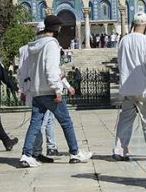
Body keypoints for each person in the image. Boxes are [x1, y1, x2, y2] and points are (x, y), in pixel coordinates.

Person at [19, 15, 92, 167]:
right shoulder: (51, 44)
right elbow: (51, 69)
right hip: (50, 91)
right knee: (66, 122)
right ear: (57, 28)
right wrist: (58, 89)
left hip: (37, 90)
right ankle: (74, 153)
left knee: (35, 124)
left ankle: (26, 155)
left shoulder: (34, 45)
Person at [112, 12, 146, 161]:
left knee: (125, 120)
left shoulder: (124, 40)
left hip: (127, 87)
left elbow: (121, 64)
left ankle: (120, 149)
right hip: (143, 88)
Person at [18, 21, 60, 161]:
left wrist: (22, 88)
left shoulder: (28, 47)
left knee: (41, 121)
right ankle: (35, 151)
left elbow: (21, 71)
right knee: (42, 121)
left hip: (32, 87)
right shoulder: (46, 45)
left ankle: (36, 151)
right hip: (44, 88)